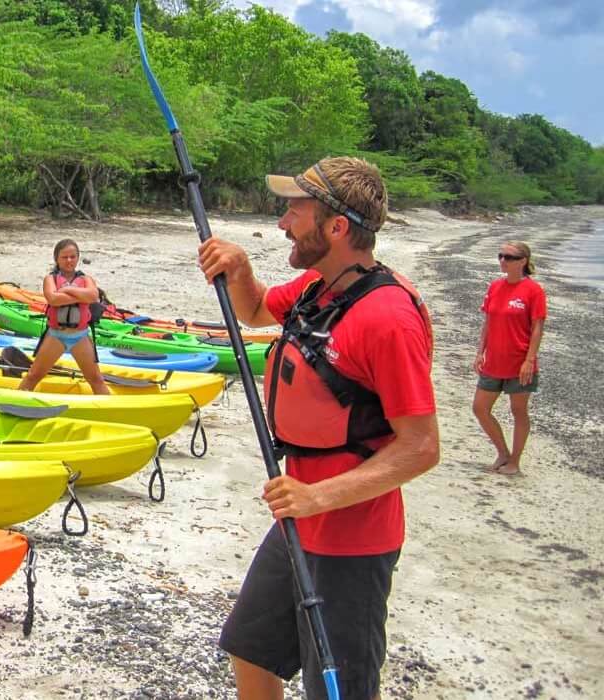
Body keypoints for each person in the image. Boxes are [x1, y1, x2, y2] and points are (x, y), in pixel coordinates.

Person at [197, 157, 440, 700]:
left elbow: (421, 448)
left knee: (340, 690)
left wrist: (317, 496)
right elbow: (257, 308)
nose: (283, 222)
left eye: (295, 212)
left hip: (351, 539)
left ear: (336, 227)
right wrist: (239, 270)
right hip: (297, 525)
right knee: (250, 648)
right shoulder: (318, 286)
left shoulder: (387, 318)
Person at [473, 241, 545, 476]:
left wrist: (529, 360)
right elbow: (488, 322)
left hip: (520, 362)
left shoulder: (533, 291)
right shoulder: (495, 286)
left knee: (518, 411)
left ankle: (515, 461)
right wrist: (479, 352)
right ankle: (503, 452)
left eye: (509, 257)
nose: (503, 261)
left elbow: (537, 328)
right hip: (493, 361)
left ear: (523, 261)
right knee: (480, 408)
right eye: (501, 256)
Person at [17, 239, 109, 395]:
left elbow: (93, 296)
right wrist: (80, 296)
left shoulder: (87, 279)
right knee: (33, 375)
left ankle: (110, 410)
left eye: (73, 257)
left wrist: (67, 291)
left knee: (96, 379)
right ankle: (15, 402)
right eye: (64, 257)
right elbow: (53, 299)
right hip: (56, 336)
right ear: (57, 259)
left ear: (78, 258)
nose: (69, 261)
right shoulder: (50, 279)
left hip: (80, 337)